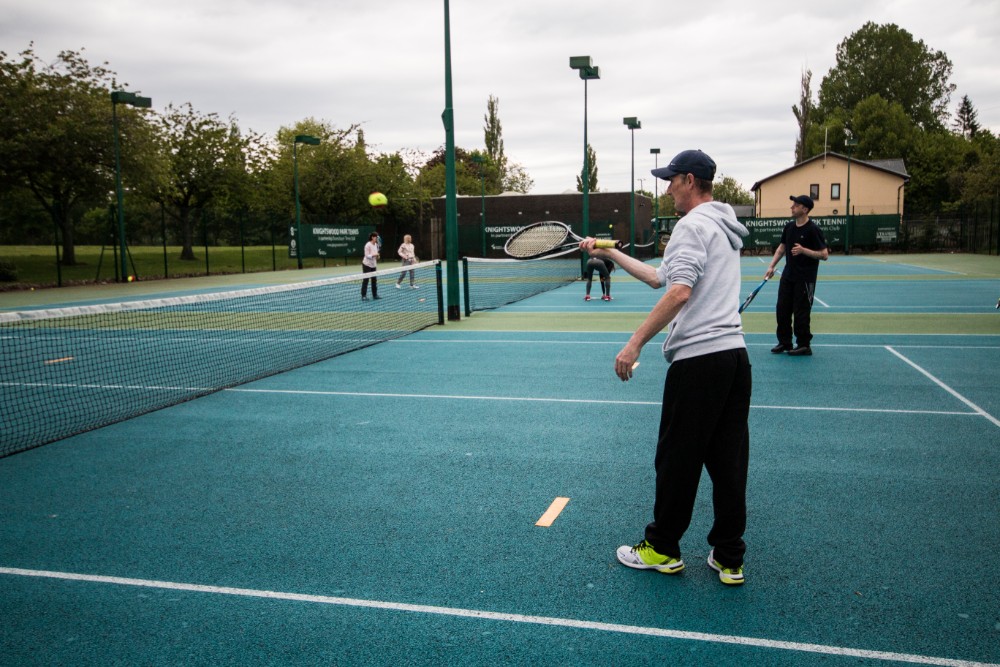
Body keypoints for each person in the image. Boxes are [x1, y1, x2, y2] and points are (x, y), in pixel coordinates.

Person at [580, 149, 752, 586]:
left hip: (699, 362)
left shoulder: (692, 225)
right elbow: (660, 276)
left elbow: (678, 292)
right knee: (728, 461)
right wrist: (610, 252)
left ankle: (662, 548)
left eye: (671, 180)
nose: (667, 187)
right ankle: (730, 556)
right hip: (734, 357)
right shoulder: (720, 224)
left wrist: (634, 343)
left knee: (676, 459)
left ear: (690, 181)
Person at [764, 195, 829, 356]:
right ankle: (785, 342)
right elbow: (781, 248)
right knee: (782, 309)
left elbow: (824, 254)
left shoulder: (813, 230)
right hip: (788, 276)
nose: (792, 207)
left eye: (796, 205)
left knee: (801, 312)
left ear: (805, 209)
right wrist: (771, 266)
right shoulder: (789, 227)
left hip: (805, 278)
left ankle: (804, 344)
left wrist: (804, 251)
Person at [361, 232, 381, 301]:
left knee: (374, 280)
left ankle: (375, 295)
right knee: (366, 280)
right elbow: (367, 256)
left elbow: (376, 255)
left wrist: (377, 256)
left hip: (373, 265)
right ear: (372, 237)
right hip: (366, 264)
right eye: (376, 237)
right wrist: (374, 255)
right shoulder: (367, 245)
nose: (377, 238)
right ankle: (363, 296)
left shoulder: (376, 245)